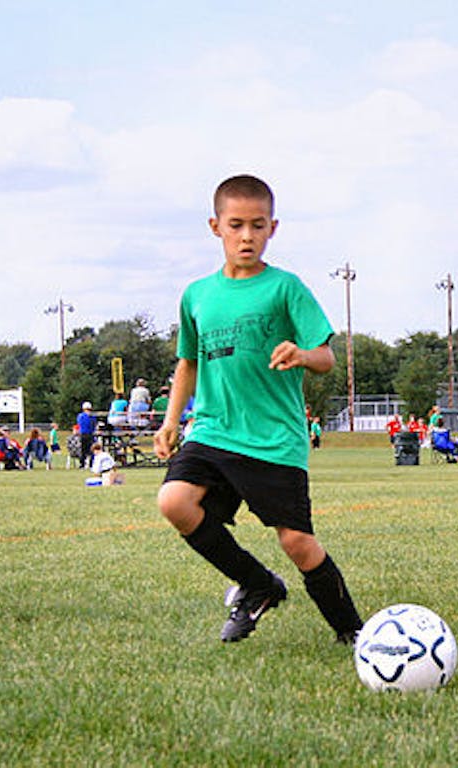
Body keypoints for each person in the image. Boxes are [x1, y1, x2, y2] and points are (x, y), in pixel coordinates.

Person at [152, 174, 364, 646]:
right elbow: (188, 363)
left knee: (296, 542)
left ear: (273, 227)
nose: (247, 236)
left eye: (258, 225)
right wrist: (171, 422)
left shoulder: (286, 288)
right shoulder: (197, 294)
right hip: (212, 429)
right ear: (215, 226)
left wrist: (303, 355)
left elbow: (327, 358)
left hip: (273, 438)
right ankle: (258, 584)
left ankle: (351, 631)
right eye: (236, 225)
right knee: (174, 501)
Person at [76, 402, 97, 468]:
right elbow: (94, 425)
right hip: (90, 434)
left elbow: (79, 424)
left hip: (83, 434)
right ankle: (91, 463)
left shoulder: (80, 416)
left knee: (83, 449)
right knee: (91, 450)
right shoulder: (92, 416)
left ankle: (82, 463)